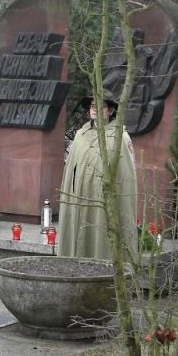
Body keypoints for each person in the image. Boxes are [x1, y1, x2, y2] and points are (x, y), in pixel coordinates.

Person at [57, 89, 138, 260]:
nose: (94, 109)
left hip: (103, 203)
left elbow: (127, 179)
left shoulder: (120, 138)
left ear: (111, 110)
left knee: (100, 241)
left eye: (100, 106)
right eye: (92, 106)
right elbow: (71, 172)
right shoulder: (81, 135)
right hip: (79, 199)